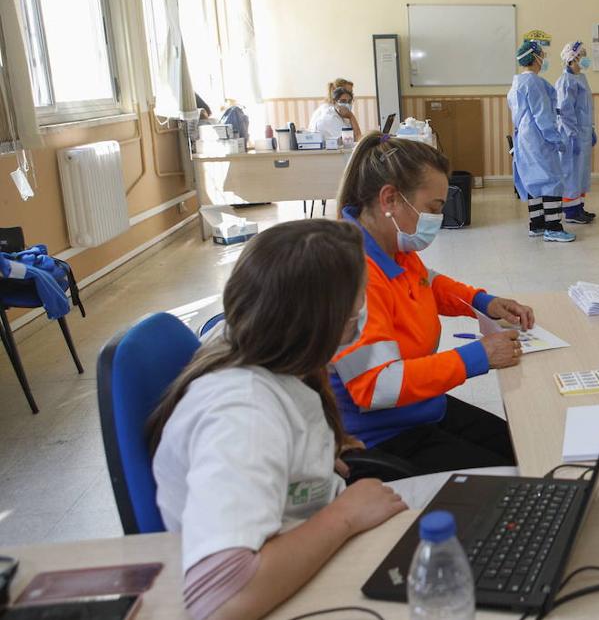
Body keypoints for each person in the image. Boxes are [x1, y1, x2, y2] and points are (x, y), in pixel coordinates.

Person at [149, 219, 407, 620]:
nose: (362, 311)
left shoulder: (257, 345)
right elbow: (219, 601)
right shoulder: (242, 417)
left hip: (308, 538)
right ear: (321, 324)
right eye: (356, 308)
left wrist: (309, 458)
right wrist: (345, 516)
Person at [334, 131, 534, 473]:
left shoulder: (389, 245)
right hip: (382, 435)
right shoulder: (353, 275)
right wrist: (478, 356)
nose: (437, 220)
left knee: (524, 449)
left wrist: (481, 301)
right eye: (432, 208)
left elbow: (427, 281)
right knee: (516, 476)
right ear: (390, 199)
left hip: (419, 407)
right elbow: (377, 385)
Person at [509, 40, 575, 242]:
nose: (544, 59)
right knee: (551, 180)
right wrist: (556, 138)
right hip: (539, 138)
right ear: (535, 58)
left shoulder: (517, 82)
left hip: (524, 139)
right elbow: (543, 116)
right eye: (542, 55)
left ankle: (536, 225)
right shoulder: (534, 83)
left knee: (533, 181)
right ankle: (553, 228)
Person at [556, 41, 597, 224]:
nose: (585, 59)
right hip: (571, 135)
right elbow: (565, 112)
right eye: (582, 56)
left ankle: (579, 207)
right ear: (572, 59)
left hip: (584, 132)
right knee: (571, 173)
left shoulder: (581, 78)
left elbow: (586, 108)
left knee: (581, 172)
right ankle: (571, 212)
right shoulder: (566, 81)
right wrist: (572, 135)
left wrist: (591, 129)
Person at [309, 77, 362, 143]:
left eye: (351, 93)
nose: (351, 95)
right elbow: (358, 139)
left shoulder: (340, 112)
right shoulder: (329, 115)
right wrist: (351, 116)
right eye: (348, 92)